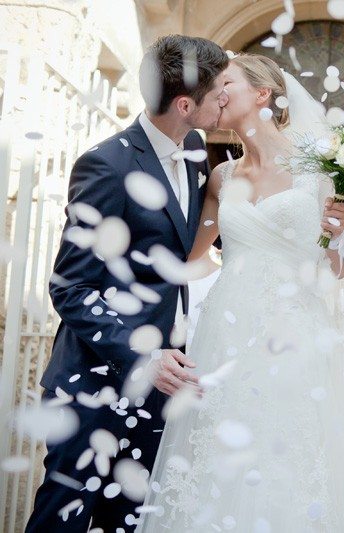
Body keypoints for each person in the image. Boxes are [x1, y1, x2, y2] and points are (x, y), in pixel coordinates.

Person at [136, 53, 344, 531]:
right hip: (226, 331)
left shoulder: (321, 170)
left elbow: (338, 270)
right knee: (221, 454)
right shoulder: (220, 177)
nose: (219, 89)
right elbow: (187, 258)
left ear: (262, 94)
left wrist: (340, 235)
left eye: (226, 80)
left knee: (286, 455)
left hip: (294, 330)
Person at [25, 36, 229, 533]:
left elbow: (183, 249)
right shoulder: (106, 166)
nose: (225, 99)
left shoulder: (197, 149)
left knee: (129, 522)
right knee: (65, 519)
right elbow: (70, 287)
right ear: (185, 104)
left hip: (160, 392)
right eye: (218, 92)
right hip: (95, 384)